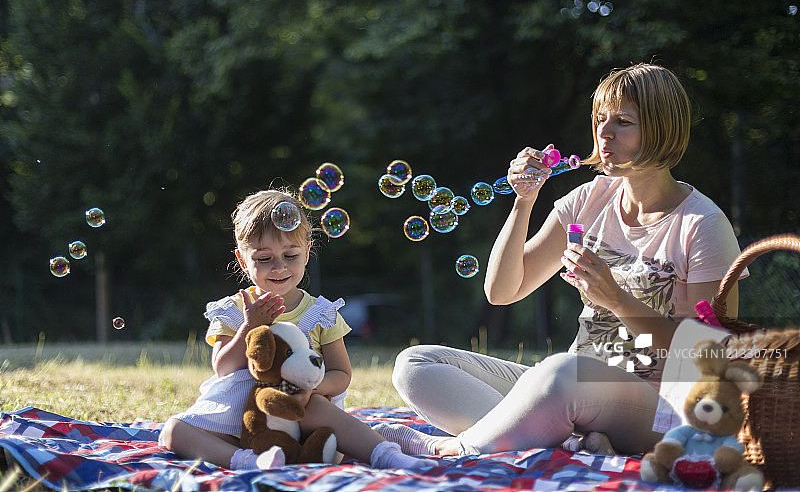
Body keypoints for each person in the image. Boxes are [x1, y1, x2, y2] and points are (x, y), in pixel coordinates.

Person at [378, 63, 745, 458]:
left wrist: (618, 300)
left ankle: (448, 450)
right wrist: (524, 200)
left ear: (662, 129)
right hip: (572, 386)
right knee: (416, 363)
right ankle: (572, 443)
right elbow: (502, 291)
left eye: (623, 122)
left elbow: (710, 354)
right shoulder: (589, 200)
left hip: (664, 408)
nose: (604, 133)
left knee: (558, 373)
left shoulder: (702, 224)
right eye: (600, 119)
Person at [159, 188, 431, 471]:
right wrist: (251, 325)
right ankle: (248, 462)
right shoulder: (233, 309)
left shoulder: (320, 312)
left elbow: (342, 374)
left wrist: (310, 389)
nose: (279, 267)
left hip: (306, 419)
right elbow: (223, 369)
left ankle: (386, 456)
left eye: (290, 255)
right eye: (264, 259)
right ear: (242, 260)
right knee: (174, 431)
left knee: (317, 406)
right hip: (243, 422)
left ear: (307, 253)